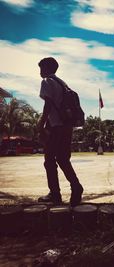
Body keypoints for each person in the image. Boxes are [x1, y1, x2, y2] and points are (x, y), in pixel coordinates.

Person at [37, 57, 83, 207]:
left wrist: (41, 123)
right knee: (63, 159)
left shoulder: (47, 82)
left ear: (46, 68)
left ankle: (55, 194)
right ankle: (76, 186)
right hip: (67, 126)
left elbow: (48, 104)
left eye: (41, 68)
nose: (40, 71)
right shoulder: (63, 84)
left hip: (55, 126)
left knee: (49, 160)